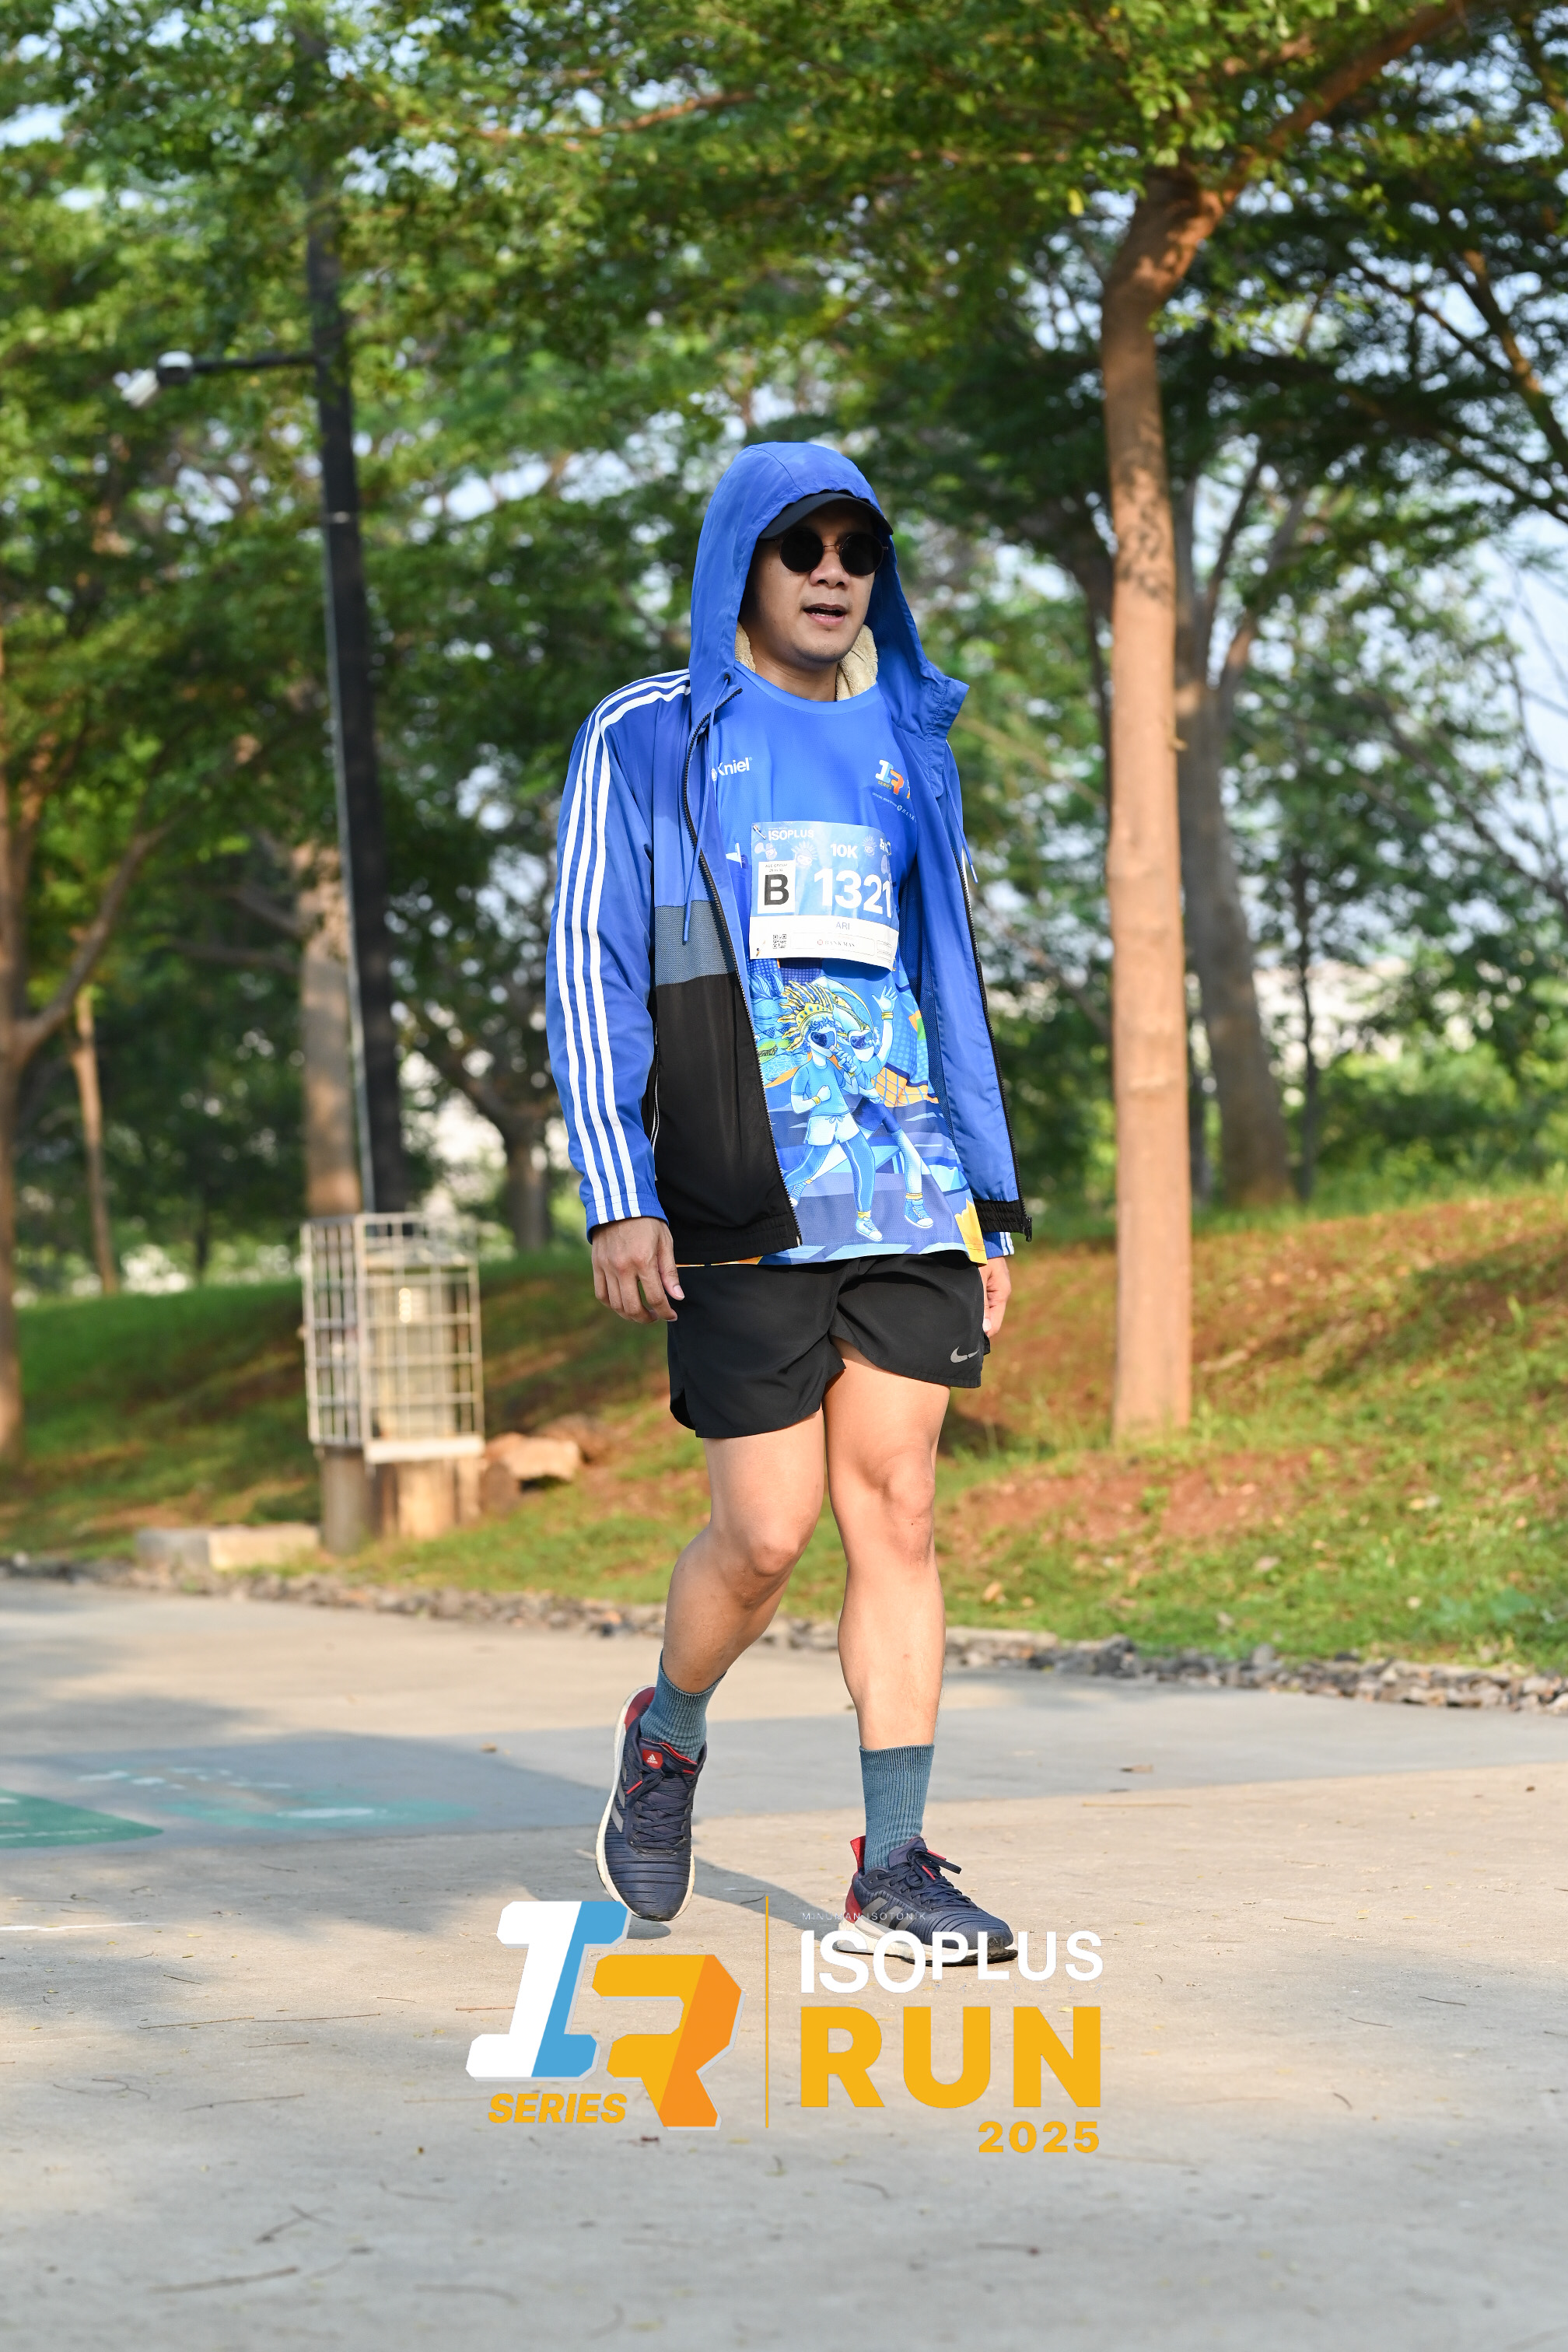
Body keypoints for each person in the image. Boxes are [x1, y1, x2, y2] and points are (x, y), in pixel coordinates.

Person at [545, 442, 1030, 1958]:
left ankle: (897, 1863)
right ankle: (668, 1735)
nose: (831, 572)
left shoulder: (909, 739)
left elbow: (947, 965)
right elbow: (593, 964)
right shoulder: (651, 735)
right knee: (763, 1537)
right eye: (799, 545)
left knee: (899, 1507)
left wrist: (988, 1198)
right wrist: (618, 1189)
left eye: (856, 548)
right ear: (739, 565)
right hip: (737, 1195)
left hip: (902, 1186)